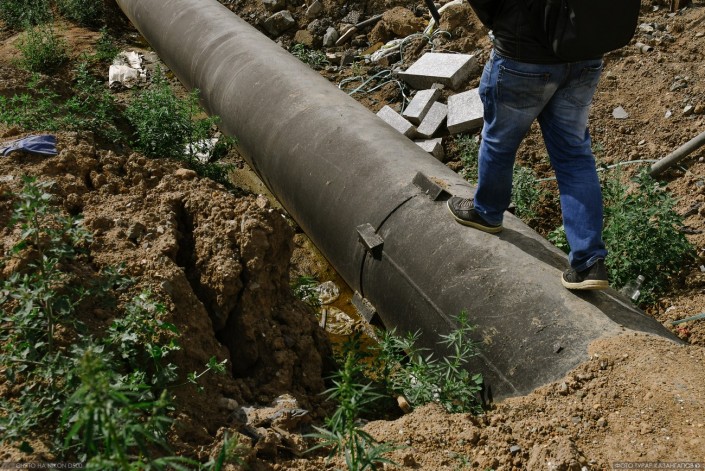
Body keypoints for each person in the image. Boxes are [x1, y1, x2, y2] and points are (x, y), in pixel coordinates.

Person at [447, 0, 609, 290]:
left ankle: (487, 212)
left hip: (522, 54)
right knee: (574, 156)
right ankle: (589, 262)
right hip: (583, 53)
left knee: (499, 142)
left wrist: (503, 21)